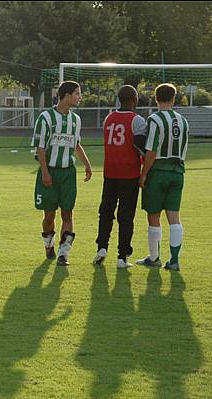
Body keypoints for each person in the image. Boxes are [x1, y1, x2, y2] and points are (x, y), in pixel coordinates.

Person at [32, 81, 92, 267]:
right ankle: (48, 244)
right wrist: (45, 172)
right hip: (49, 172)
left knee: (68, 214)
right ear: (66, 95)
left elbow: (76, 144)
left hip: (68, 173)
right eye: (77, 93)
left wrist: (87, 164)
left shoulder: (76, 120)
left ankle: (63, 254)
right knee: (49, 216)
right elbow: (40, 148)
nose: (79, 97)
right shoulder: (46, 118)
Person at [93, 85, 146, 269]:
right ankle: (122, 256)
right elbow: (141, 147)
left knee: (106, 212)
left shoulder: (109, 118)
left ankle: (101, 247)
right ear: (134, 99)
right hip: (129, 174)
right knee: (126, 216)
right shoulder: (137, 120)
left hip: (110, 173)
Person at [136, 83, 189, 271]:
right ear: (173, 99)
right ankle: (174, 261)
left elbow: (151, 151)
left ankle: (154, 258)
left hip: (158, 172)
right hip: (178, 172)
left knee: (154, 215)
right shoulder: (183, 121)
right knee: (174, 216)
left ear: (156, 98)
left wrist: (143, 174)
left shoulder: (154, 119)